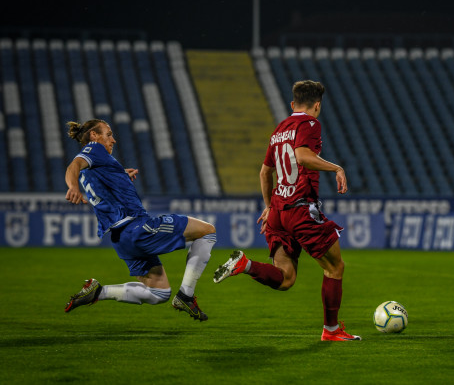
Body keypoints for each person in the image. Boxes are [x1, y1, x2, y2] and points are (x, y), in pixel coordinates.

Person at [213, 80, 360, 341]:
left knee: (285, 278)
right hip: (300, 209)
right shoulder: (310, 124)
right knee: (335, 267)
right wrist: (337, 168)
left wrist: (269, 206)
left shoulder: (279, 129)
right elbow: (303, 156)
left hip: (278, 212)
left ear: (293, 104)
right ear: (317, 105)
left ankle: (246, 265)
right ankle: (331, 330)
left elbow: (264, 172)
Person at [63, 119, 215, 321]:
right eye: (108, 134)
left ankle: (99, 292)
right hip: (136, 227)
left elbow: (99, 180)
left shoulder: (92, 171)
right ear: (94, 136)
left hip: (120, 239)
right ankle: (186, 295)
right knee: (208, 231)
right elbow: (73, 165)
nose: (113, 140)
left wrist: (121, 175)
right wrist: (72, 187)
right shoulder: (94, 149)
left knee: (159, 293)